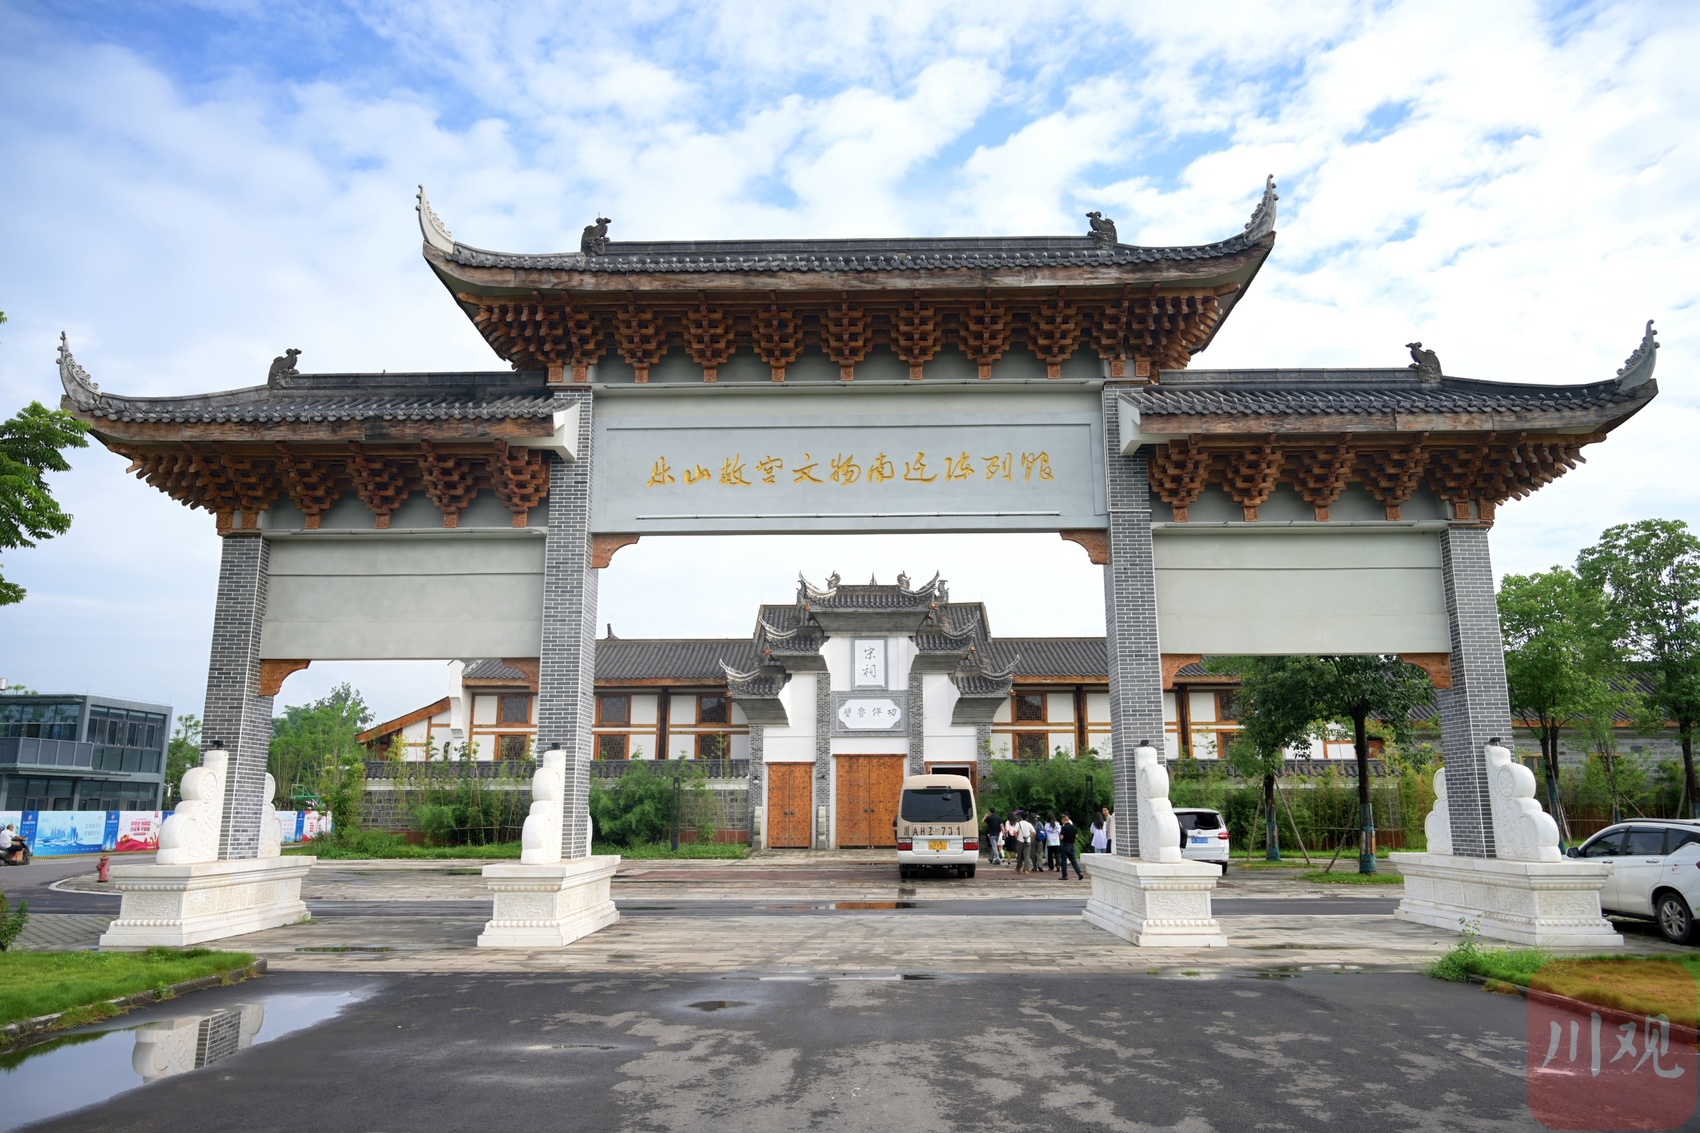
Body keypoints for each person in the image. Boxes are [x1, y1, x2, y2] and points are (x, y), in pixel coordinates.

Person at [1058, 813, 1084, 880]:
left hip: (1065, 845)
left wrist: (1059, 836)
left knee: (1063, 860)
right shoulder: (1074, 827)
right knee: (1073, 860)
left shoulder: (1063, 827)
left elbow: (1061, 837)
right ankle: (1079, 873)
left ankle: (1064, 875)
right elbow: (1076, 836)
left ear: (1064, 820)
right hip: (1072, 845)